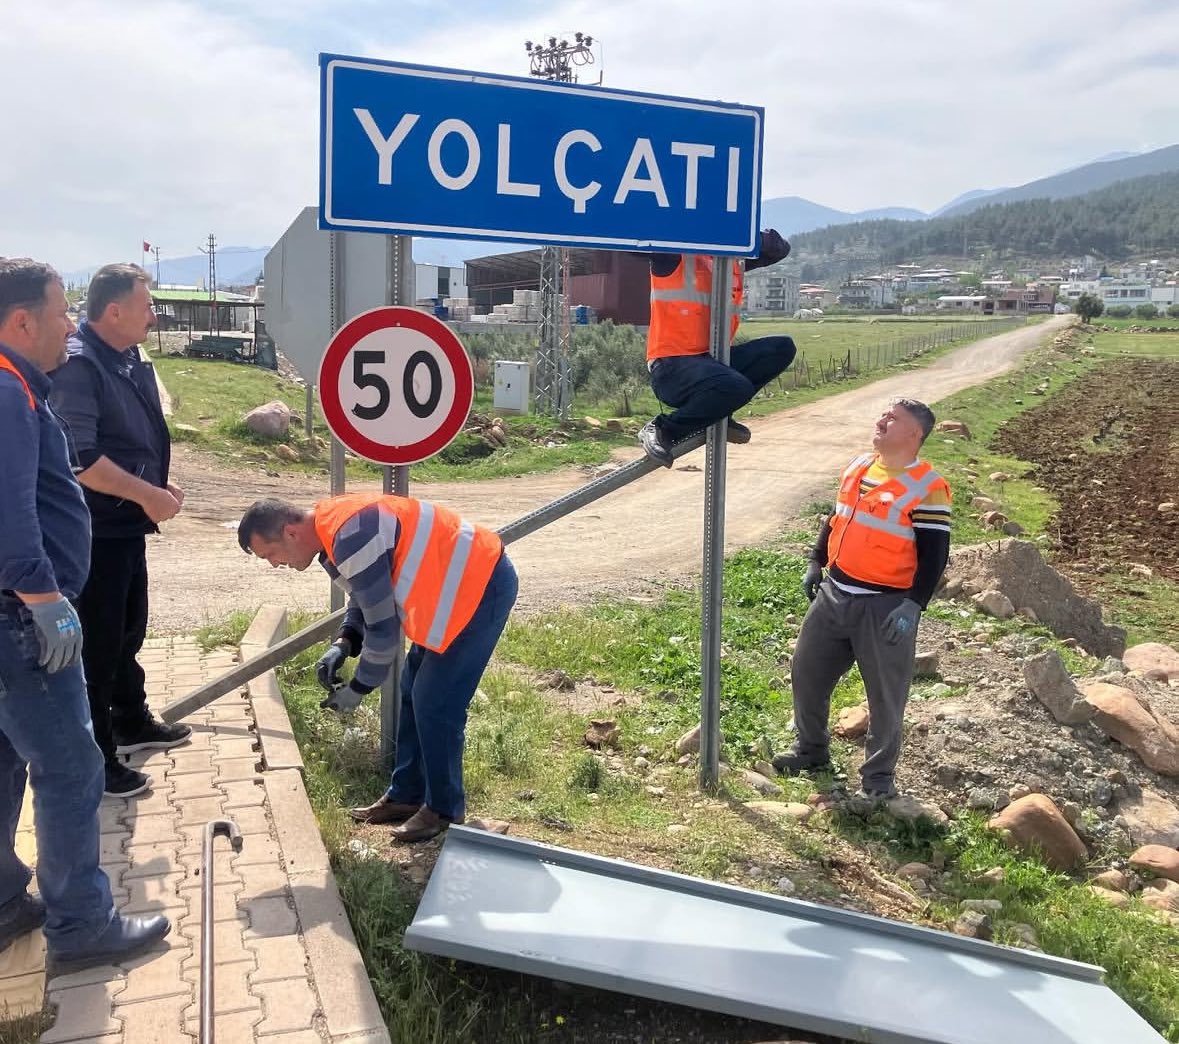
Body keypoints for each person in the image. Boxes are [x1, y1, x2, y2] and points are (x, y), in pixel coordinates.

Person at [0, 258, 169, 967]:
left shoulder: (20, 387)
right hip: (19, 622)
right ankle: (82, 925)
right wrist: (44, 600)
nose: (70, 326)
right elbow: (9, 511)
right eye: (61, 312)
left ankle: (5, 898)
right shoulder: (9, 393)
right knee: (71, 768)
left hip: (15, 615)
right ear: (21, 322)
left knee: (6, 761)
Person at [238, 494, 517, 842]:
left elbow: (384, 633)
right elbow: (364, 594)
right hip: (449, 590)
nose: (274, 565)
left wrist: (358, 690)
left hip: (480, 585)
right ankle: (406, 795)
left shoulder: (350, 535)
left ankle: (444, 810)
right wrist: (345, 642)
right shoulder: (329, 533)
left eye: (271, 555)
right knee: (412, 691)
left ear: (291, 533)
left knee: (435, 703)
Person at [50, 264, 190, 799]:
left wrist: (159, 483)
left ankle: (131, 720)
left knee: (130, 630)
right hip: (96, 534)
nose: (153, 314)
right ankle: (100, 761)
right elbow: (82, 459)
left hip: (127, 525)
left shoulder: (125, 356)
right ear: (114, 311)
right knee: (99, 647)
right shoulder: (80, 367)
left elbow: (129, 439)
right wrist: (147, 494)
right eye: (146, 304)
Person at [774, 399, 952, 800]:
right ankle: (811, 750)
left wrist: (913, 605)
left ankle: (877, 781)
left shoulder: (928, 487)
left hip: (886, 606)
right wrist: (815, 562)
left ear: (914, 435)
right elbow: (835, 518)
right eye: (883, 415)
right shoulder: (858, 466)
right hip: (835, 593)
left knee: (886, 698)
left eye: (893, 419)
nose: (881, 421)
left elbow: (935, 554)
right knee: (806, 673)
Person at [638, 230, 797, 467]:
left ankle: (723, 409)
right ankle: (663, 428)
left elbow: (778, 248)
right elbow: (633, 240)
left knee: (781, 348)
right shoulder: (673, 254)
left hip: (711, 362)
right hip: (672, 366)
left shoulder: (731, 261)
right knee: (735, 386)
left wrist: (736, 228)